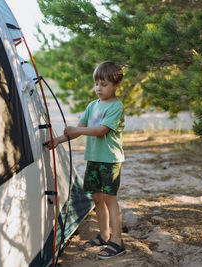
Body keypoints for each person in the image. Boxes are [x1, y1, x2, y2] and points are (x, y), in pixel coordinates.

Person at [45, 61, 126, 259]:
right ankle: (104, 235)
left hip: (109, 160)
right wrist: (59, 140)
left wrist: (77, 130)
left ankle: (117, 240)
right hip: (93, 159)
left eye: (104, 84)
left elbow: (101, 130)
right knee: (97, 198)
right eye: (96, 84)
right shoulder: (92, 106)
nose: (99, 88)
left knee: (109, 198)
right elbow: (78, 130)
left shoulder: (116, 106)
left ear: (116, 85)